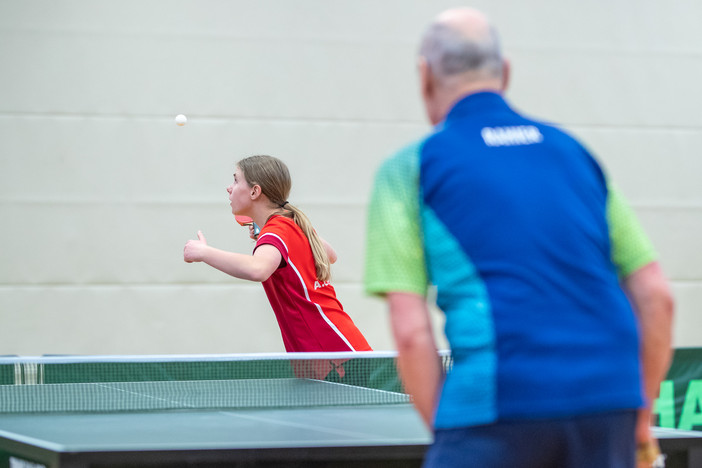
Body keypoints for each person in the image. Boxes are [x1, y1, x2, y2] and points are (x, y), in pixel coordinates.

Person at [364, 7, 674, 468]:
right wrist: (640, 420)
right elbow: (656, 296)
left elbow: (410, 331)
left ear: (424, 76)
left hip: (496, 402)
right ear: (506, 73)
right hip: (609, 400)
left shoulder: (408, 169)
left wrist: (452, 436)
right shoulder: (574, 153)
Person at [185, 154, 372, 354]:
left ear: (255, 191)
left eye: (236, 180)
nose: (229, 188)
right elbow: (331, 255)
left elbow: (258, 269)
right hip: (337, 348)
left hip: (335, 353)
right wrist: (269, 239)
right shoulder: (291, 224)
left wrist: (204, 252)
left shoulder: (277, 231)